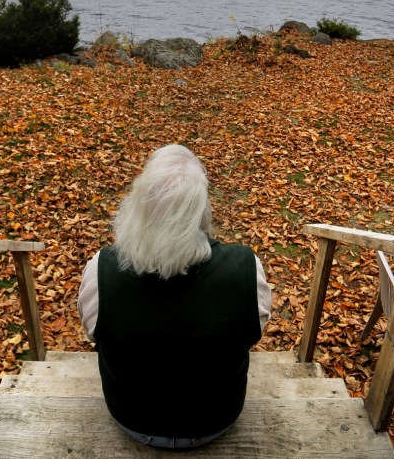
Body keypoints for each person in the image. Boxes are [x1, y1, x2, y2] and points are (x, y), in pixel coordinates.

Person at [77, 144, 271, 449]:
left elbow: (94, 333)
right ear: (202, 209)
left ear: (138, 206)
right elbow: (252, 332)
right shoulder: (247, 270)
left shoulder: (99, 272)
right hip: (216, 420)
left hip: (132, 419)